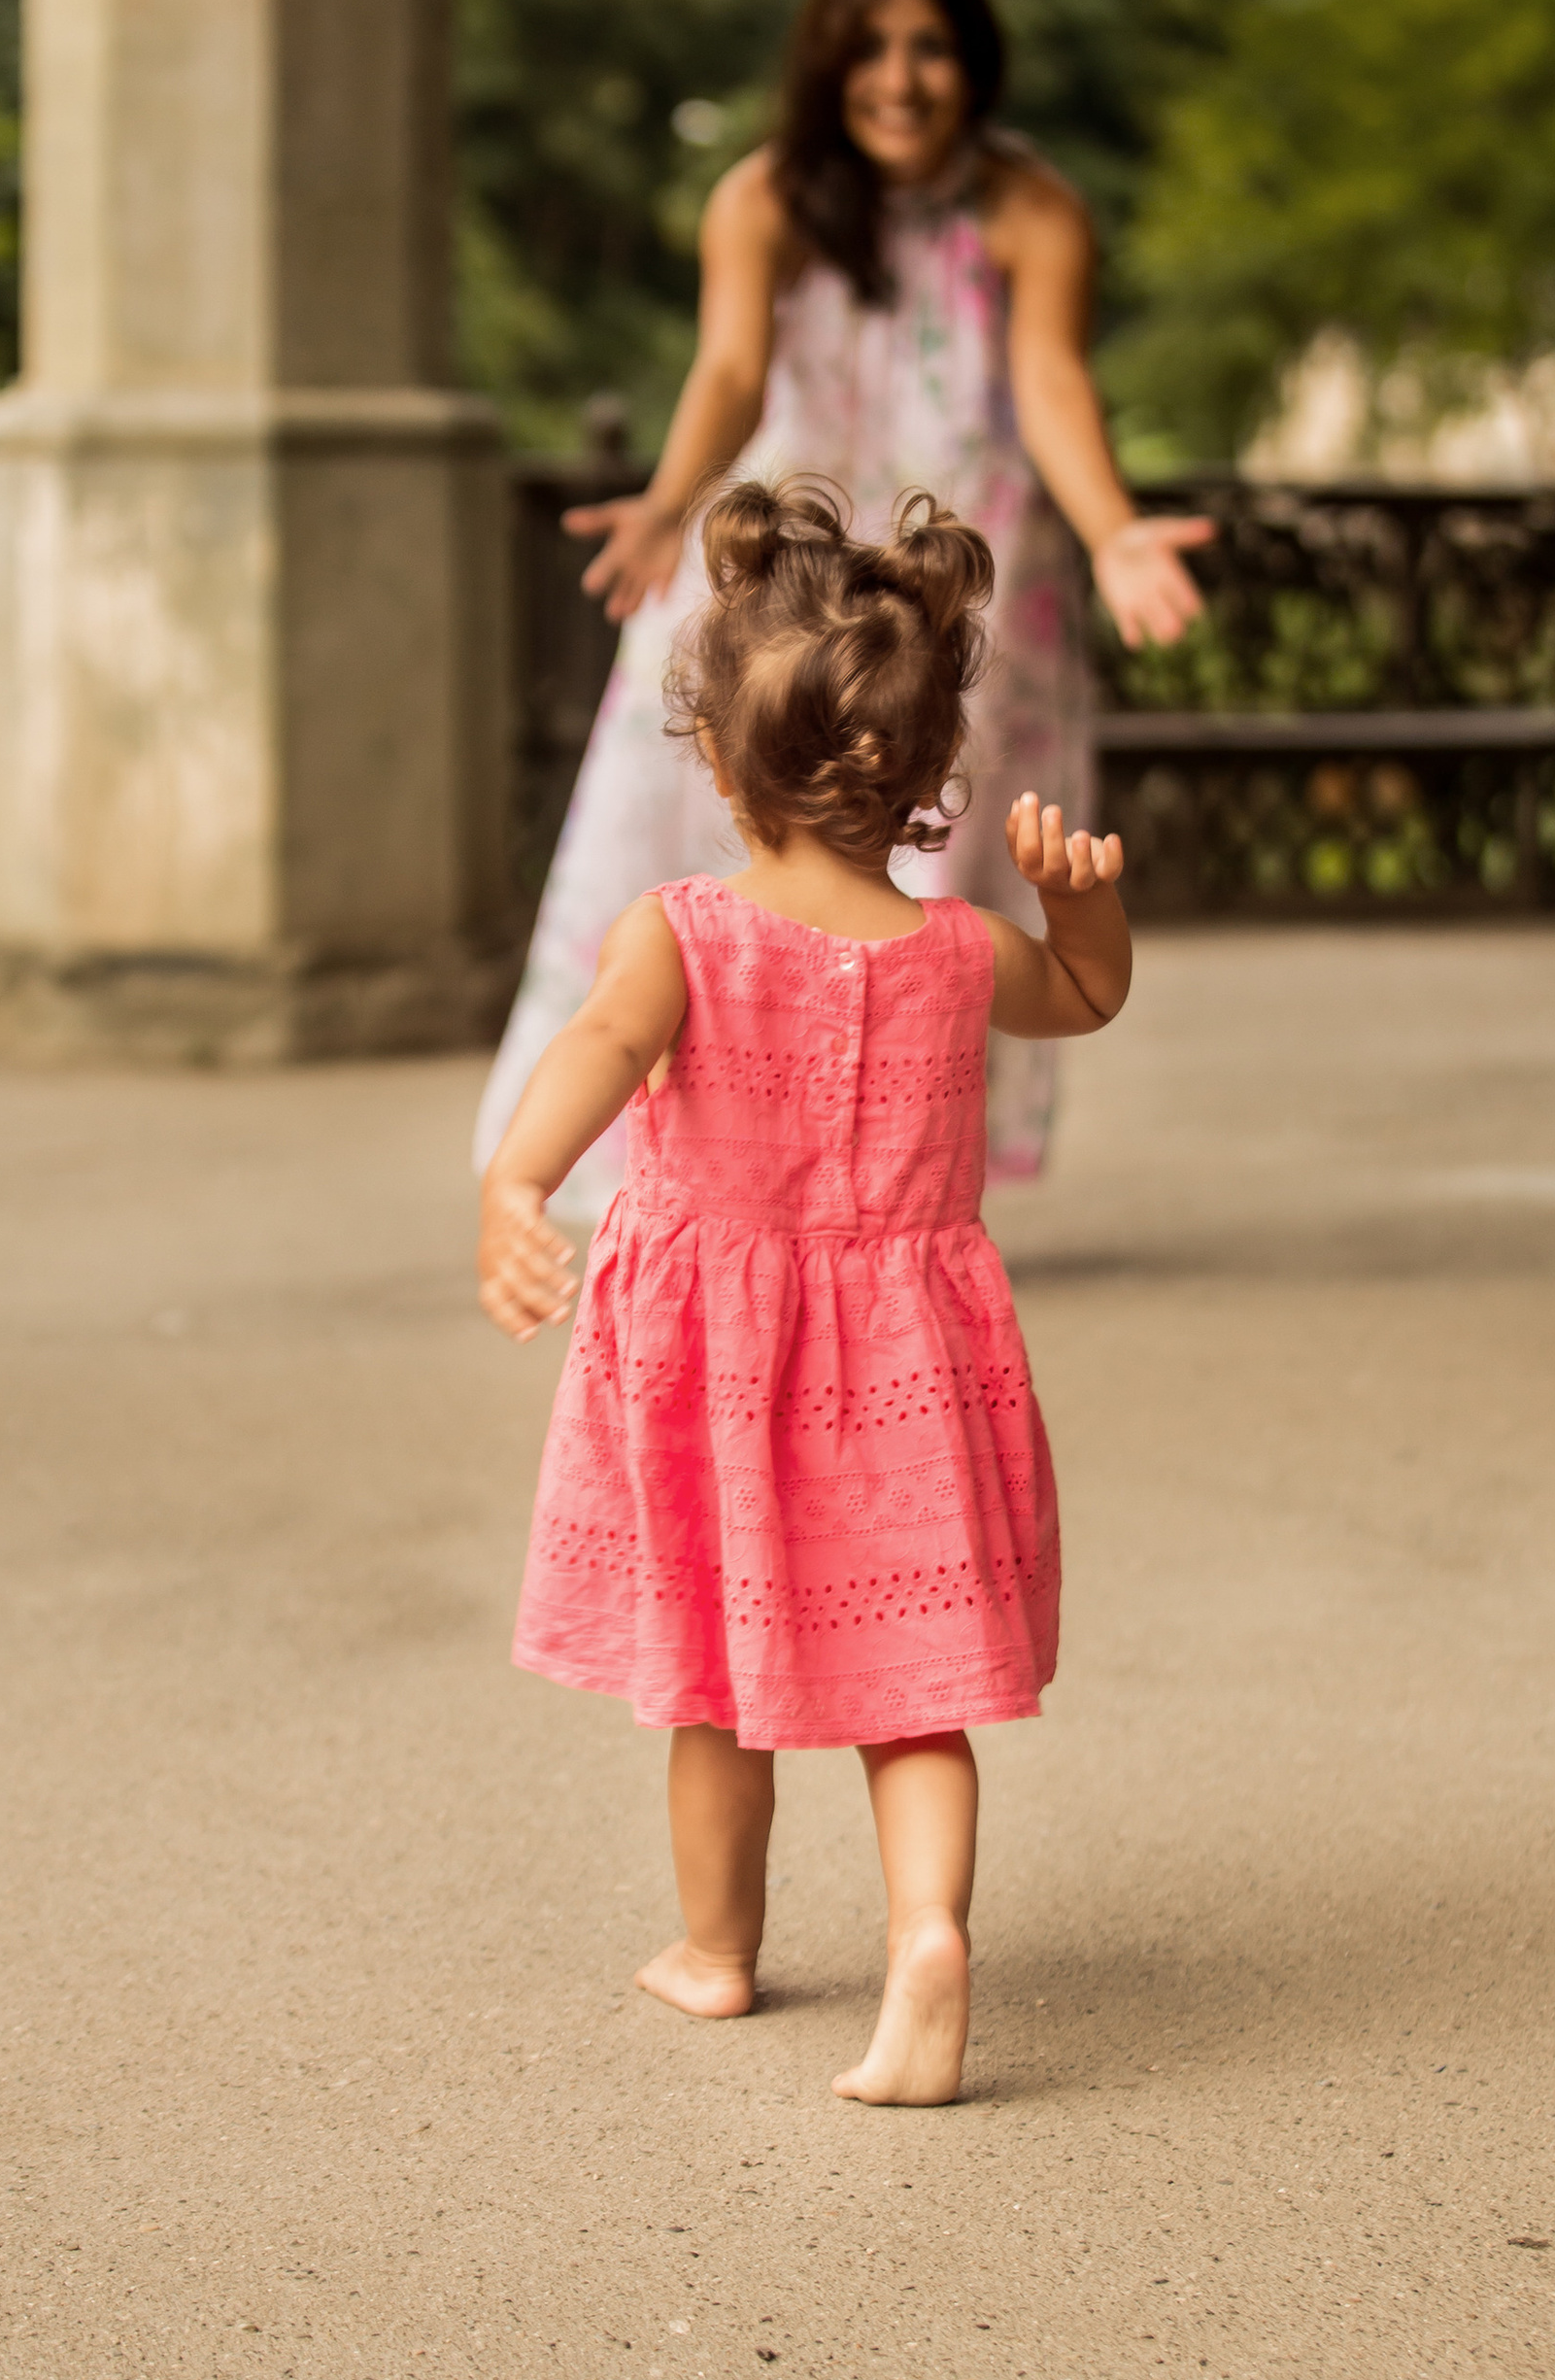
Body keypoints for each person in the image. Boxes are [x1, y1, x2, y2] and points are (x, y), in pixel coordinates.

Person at [477, 478, 1135, 2108]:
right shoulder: (967, 952)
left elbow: (592, 1055)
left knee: (718, 1683)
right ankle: (928, 1935)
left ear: (714, 752)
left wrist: (513, 1185)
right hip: (911, 1368)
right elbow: (1090, 997)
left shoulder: (681, 936)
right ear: (923, 778)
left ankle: (717, 1953)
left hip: (720, 1375)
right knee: (916, 1692)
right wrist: (1091, 911)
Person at [472, 0, 1207, 1217]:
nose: (901, 79)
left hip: (935, 589)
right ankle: (590, 1166)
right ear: (826, 64)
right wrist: (662, 503)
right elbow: (732, 371)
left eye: (929, 49)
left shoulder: (1029, 210)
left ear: (973, 65)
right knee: (695, 858)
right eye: (869, 50)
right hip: (779, 578)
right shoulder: (763, 200)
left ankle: (874, 1181)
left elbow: (1048, 382)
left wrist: (1113, 529)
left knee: (920, 873)